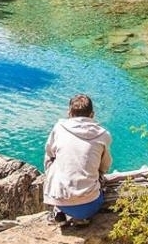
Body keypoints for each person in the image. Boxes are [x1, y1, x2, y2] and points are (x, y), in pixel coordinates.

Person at [43, 94, 112, 227]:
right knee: (99, 163)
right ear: (92, 114)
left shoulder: (59, 127)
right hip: (91, 204)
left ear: (69, 113)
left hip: (60, 201)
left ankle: (58, 211)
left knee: (49, 156)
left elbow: (50, 151)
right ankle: (82, 218)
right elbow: (105, 166)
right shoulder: (103, 135)